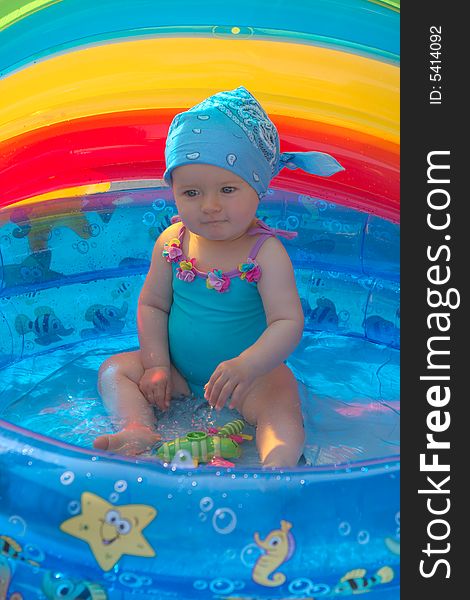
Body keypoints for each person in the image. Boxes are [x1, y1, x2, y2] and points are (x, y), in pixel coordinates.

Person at [93, 86, 343, 467]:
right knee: (114, 371)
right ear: (173, 191)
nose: (210, 206)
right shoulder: (171, 241)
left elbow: (287, 322)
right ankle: (137, 427)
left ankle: (277, 465)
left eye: (228, 189)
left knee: (281, 400)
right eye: (192, 192)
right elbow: (153, 304)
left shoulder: (266, 253)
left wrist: (248, 364)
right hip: (178, 372)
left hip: (248, 382)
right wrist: (157, 364)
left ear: (257, 188)